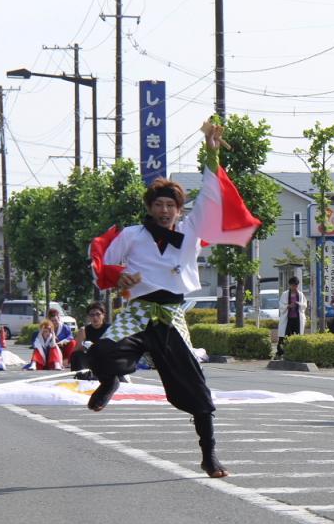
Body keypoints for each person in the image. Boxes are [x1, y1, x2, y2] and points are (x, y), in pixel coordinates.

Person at [86, 118, 260, 479]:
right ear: (150, 207)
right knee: (100, 351)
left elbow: (212, 194)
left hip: (171, 315)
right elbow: (100, 264)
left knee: (196, 387)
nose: (165, 210)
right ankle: (111, 381)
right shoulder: (132, 235)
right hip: (137, 313)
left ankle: (209, 455)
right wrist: (120, 277)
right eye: (159, 204)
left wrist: (211, 154)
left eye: (171, 205)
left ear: (180, 210)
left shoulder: (192, 231)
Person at [71, 303, 109, 374]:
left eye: (98, 314)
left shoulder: (109, 328)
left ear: (103, 315)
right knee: (76, 355)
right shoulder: (84, 330)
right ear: (88, 317)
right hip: (91, 357)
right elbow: (76, 350)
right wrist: (84, 347)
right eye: (92, 315)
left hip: (107, 358)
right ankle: (80, 377)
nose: (95, 317)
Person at [276, 276, 307, 358]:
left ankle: (297, 353)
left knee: (297, 336)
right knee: (284, 336)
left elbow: (304, 305)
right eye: (293, 285)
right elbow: (281, 305)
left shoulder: (300, 294)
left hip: (297, 319)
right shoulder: (285, 294)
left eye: (296, 285)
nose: (294, 287)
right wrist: (288, 306)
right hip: (288, 318)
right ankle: (280, 353)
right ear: (290, 285)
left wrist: (298, 304)